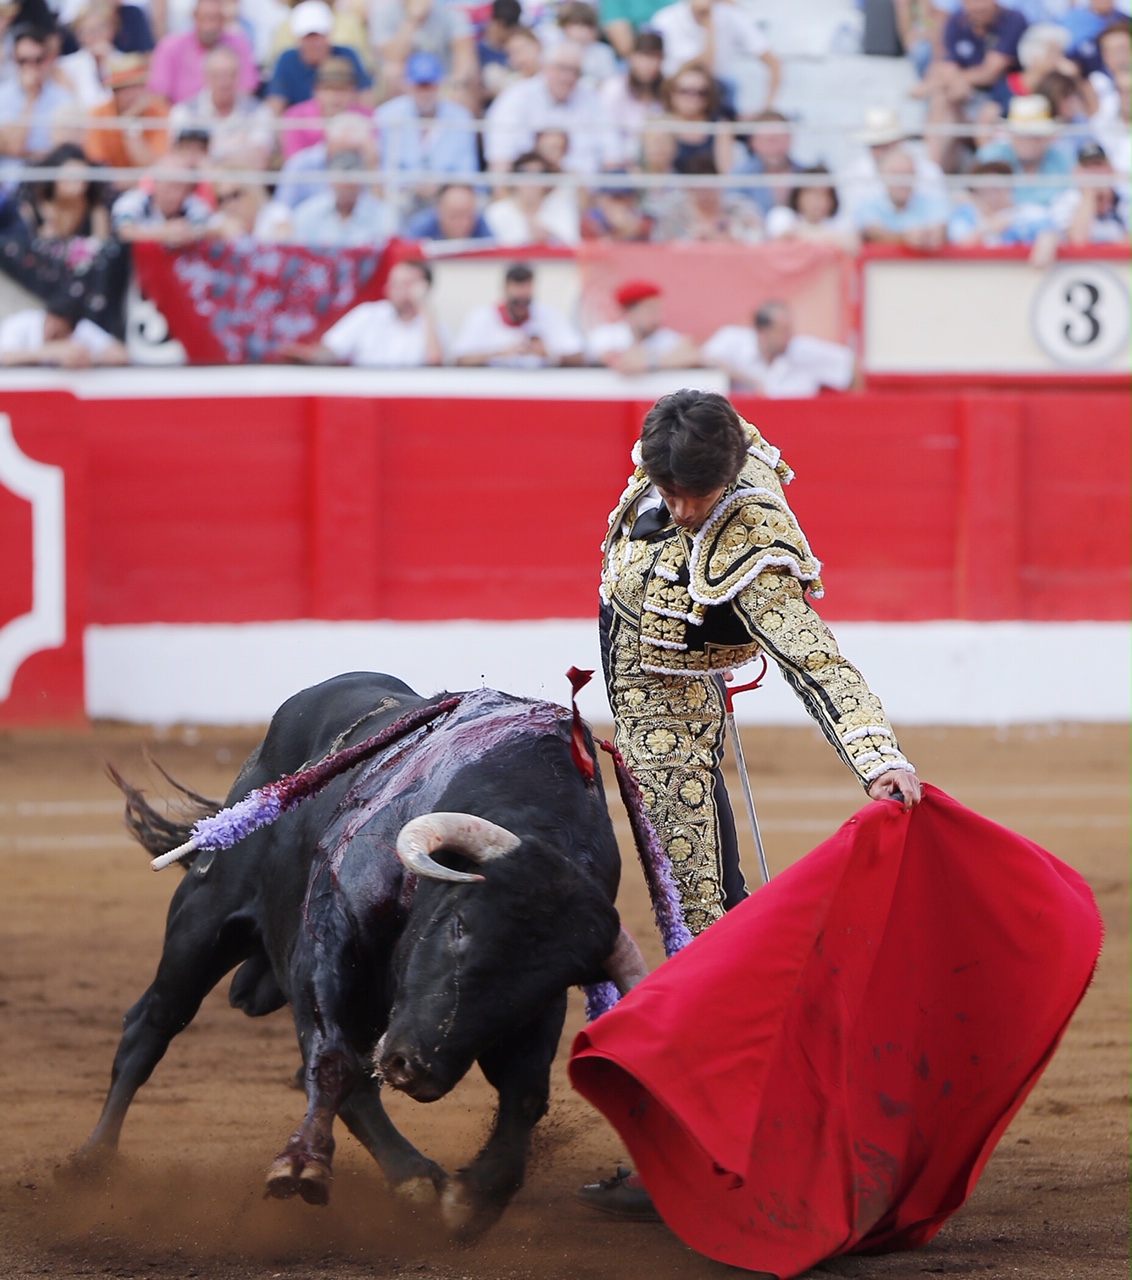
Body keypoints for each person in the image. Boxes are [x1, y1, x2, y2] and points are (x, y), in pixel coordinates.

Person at [577, 389, 920, 1217]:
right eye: (670, 491)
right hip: (639, 702)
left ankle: (717, 1145)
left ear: (729, 476)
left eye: (698, 495)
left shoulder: (753, 544)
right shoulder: (671, 454)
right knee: (704, 916)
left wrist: (878, 758)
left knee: (706, 928)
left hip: (670, 725)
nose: (682, 509)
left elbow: (816, 662)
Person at [280, 257, 447, 366]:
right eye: (392, 283)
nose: (392, 290)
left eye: (403, 284)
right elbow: (333, 350)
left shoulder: (433, 326)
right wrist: (308, 356)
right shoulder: (367, 315)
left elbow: (435, 363)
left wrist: (424, 306)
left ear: (422, 288)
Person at [484, 39, 617, 173]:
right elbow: (500, 157)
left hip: (585, 188)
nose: (568, 77)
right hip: (530, 186)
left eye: (575, 71)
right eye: (562, 68)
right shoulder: (516, 97)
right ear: (544, 67)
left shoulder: (592, 99)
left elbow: (613, 154)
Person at [924, 0, 1029, 171]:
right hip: (967, 96)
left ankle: (987, 174)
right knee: (944, 100)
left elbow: (990, 73)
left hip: (1005, 95)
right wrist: (954, 83)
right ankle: (933, 172)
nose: (976, 8)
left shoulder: (1013, 19)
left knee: (982, 115)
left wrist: (952, 81)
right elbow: (945, 64)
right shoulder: (956, 21)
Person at [375, 49, 478, 221]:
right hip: (402, 194)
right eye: (419, 85)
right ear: (407, 85)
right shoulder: (387, 115)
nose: (424, 92)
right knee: (386, 209)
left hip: (447, 195)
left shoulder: (460, 117)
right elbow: (383, 166)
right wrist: (413, 185)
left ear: (439, 85)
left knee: (464, 207)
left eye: (429, 85)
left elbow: (467, 170)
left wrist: (441, 186)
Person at [701, 299, 855, 396]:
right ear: (763, 332)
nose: (789, 336)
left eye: (789, 329)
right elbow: (702, 358)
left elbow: (850, 363)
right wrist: (752, 381)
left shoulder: (803, 350)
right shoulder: (732, 340)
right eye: (782, 330)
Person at [452, 260, 584, 367]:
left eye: (526, 300)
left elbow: (579, 358)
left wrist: (546, 353)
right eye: (517, 300)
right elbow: (460, 360)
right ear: (506, 289)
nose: (522, 305)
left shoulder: (548, 315)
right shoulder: (482, 317)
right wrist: (499, 353)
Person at [167, 43, 273, 166]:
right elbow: (181, 159)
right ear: (206, 77)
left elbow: (259, 159)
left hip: (243, 182)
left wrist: (209, 161)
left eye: (230, 75)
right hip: (200, 183)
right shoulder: (184, 111)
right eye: (217, 75)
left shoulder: (260, 111)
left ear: (239, 77)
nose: (224, 82)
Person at [265, 0, 371, 112]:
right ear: (298, 38)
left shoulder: (347, 56)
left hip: (344, 124)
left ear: (328, 34)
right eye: (308, 36)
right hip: (301, 126)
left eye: (318, 35)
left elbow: (366, 101)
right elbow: (275, 105)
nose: (314, 43)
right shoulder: (287, 60)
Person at [0, 23, 76, 178]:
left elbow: (67, 151)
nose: (31, 67)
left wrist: (27, 154)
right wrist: (31, 98)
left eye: (38, 60)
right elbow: (12, 146)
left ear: (48, 59)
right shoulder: (3, 96)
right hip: (10, 181)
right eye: (24, 61)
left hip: (50, 182)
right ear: (14, 60)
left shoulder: (63, 98)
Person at [146, 0, 256, 106]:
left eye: (215, 18)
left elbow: (247, 90)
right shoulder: (170, 46)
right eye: (206, 18)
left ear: (224, 20)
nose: (211, 26)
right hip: (181, 121)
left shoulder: (239, 44)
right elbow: (158, 96)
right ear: (195, 17)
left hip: (231, 121)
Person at [586, 278, 699, 373]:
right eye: (650, 310)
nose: (657, 317)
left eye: (658, 310)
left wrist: (650, 362)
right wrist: (668, 359)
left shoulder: (665, 337)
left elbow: (692, 355)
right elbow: (616, 360)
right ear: (629, 312)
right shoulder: (606, 334)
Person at [84, 51, 169, 173]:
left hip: (151, 188)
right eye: (124, 88)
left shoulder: (160, 114)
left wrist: (130, 126)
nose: (132, 94)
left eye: (137, 86)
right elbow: (98, 166)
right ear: (114, 92)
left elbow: (154, 168)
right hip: (110, 189)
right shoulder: (98, 115)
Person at [291, 146, 393, 247]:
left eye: (352, 180)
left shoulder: (383, 216)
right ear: (331, 180)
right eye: (342, 179)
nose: (347, 186)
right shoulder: (307, 214)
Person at [854, 145, 949, 248]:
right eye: (897, 175)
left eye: (907, 174)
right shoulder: (868, 206)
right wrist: (903, 238)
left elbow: (945, 227)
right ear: (883, 176)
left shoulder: (932, 203)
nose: (903, 181)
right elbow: (870, 231)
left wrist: (937, 234)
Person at [0, 292, 128, 365]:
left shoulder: (81, 328)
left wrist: (89, 357)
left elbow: (121, 355)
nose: (51, 332)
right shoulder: (20, 323)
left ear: (70, 330)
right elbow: (6, 357)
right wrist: (54, 352)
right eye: (51, 324)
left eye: (58, 332)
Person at [484, 149, 580, 245]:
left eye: (540, 173)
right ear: (514, 177)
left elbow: (573, 246)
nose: (533, 180)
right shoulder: (496, 212)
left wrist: (550, 237)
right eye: (525, 172)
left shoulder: (562, 208)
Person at [404, 181, 490, 240]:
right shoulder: (421, 226)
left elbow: (497, 256)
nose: (460, 223)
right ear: (438, 210)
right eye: (453, 216)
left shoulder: (481, 224)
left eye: (467, 216)